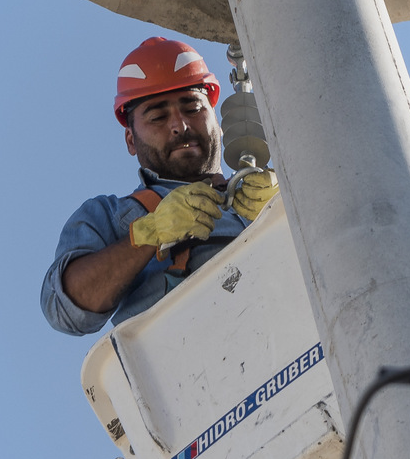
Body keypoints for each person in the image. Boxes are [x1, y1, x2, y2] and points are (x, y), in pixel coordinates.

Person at [41, 37, 278, 335]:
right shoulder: (114, 215)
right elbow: (64, 310)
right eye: (158, 116)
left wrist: (285, 207)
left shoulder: (262, 192)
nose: (180, 124)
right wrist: (150, 233)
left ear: (216, 121)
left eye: (192, 107)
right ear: (131, 140)